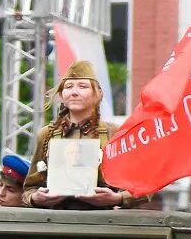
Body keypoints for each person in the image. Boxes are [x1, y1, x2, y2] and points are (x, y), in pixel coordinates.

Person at [26, 62, 122, 208]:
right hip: (55, 221)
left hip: (103, 223)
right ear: (61, 95)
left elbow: (139, 185)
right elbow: (29, 188)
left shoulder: (114, 133)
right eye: (68, 87)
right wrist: (35, 198)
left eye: (83, 86)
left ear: (97, 94)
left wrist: (117, 198)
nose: (74, 92)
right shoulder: (47, 135)